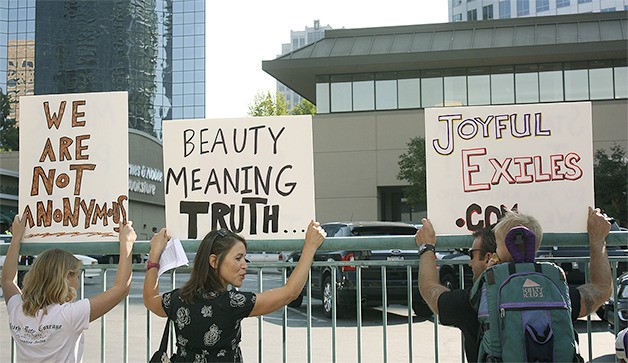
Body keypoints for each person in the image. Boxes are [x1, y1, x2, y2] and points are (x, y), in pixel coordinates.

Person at [416, 206, 613, 362]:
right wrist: (597, 240)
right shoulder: (555, 290)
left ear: (493, 254)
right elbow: (601, 289)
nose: (469, 262)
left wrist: (427, 247)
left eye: (472, 255)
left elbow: (431, 292)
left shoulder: (477, 298)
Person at [143, 220, 326, 362]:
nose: (245, 265)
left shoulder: (178, 299)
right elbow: (290, 293)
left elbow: (150, 299)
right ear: (214, 261)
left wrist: (154, 254)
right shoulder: (233, 303)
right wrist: (310, 247)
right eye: (239, 258)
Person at [1, 214, 137, 362]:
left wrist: (16, 239)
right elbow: (121, 288)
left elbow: (7, 281)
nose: (78, 281)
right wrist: (127, 244)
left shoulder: (18, 310)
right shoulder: (69, 315)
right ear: (66, 277)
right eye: (77, 276)